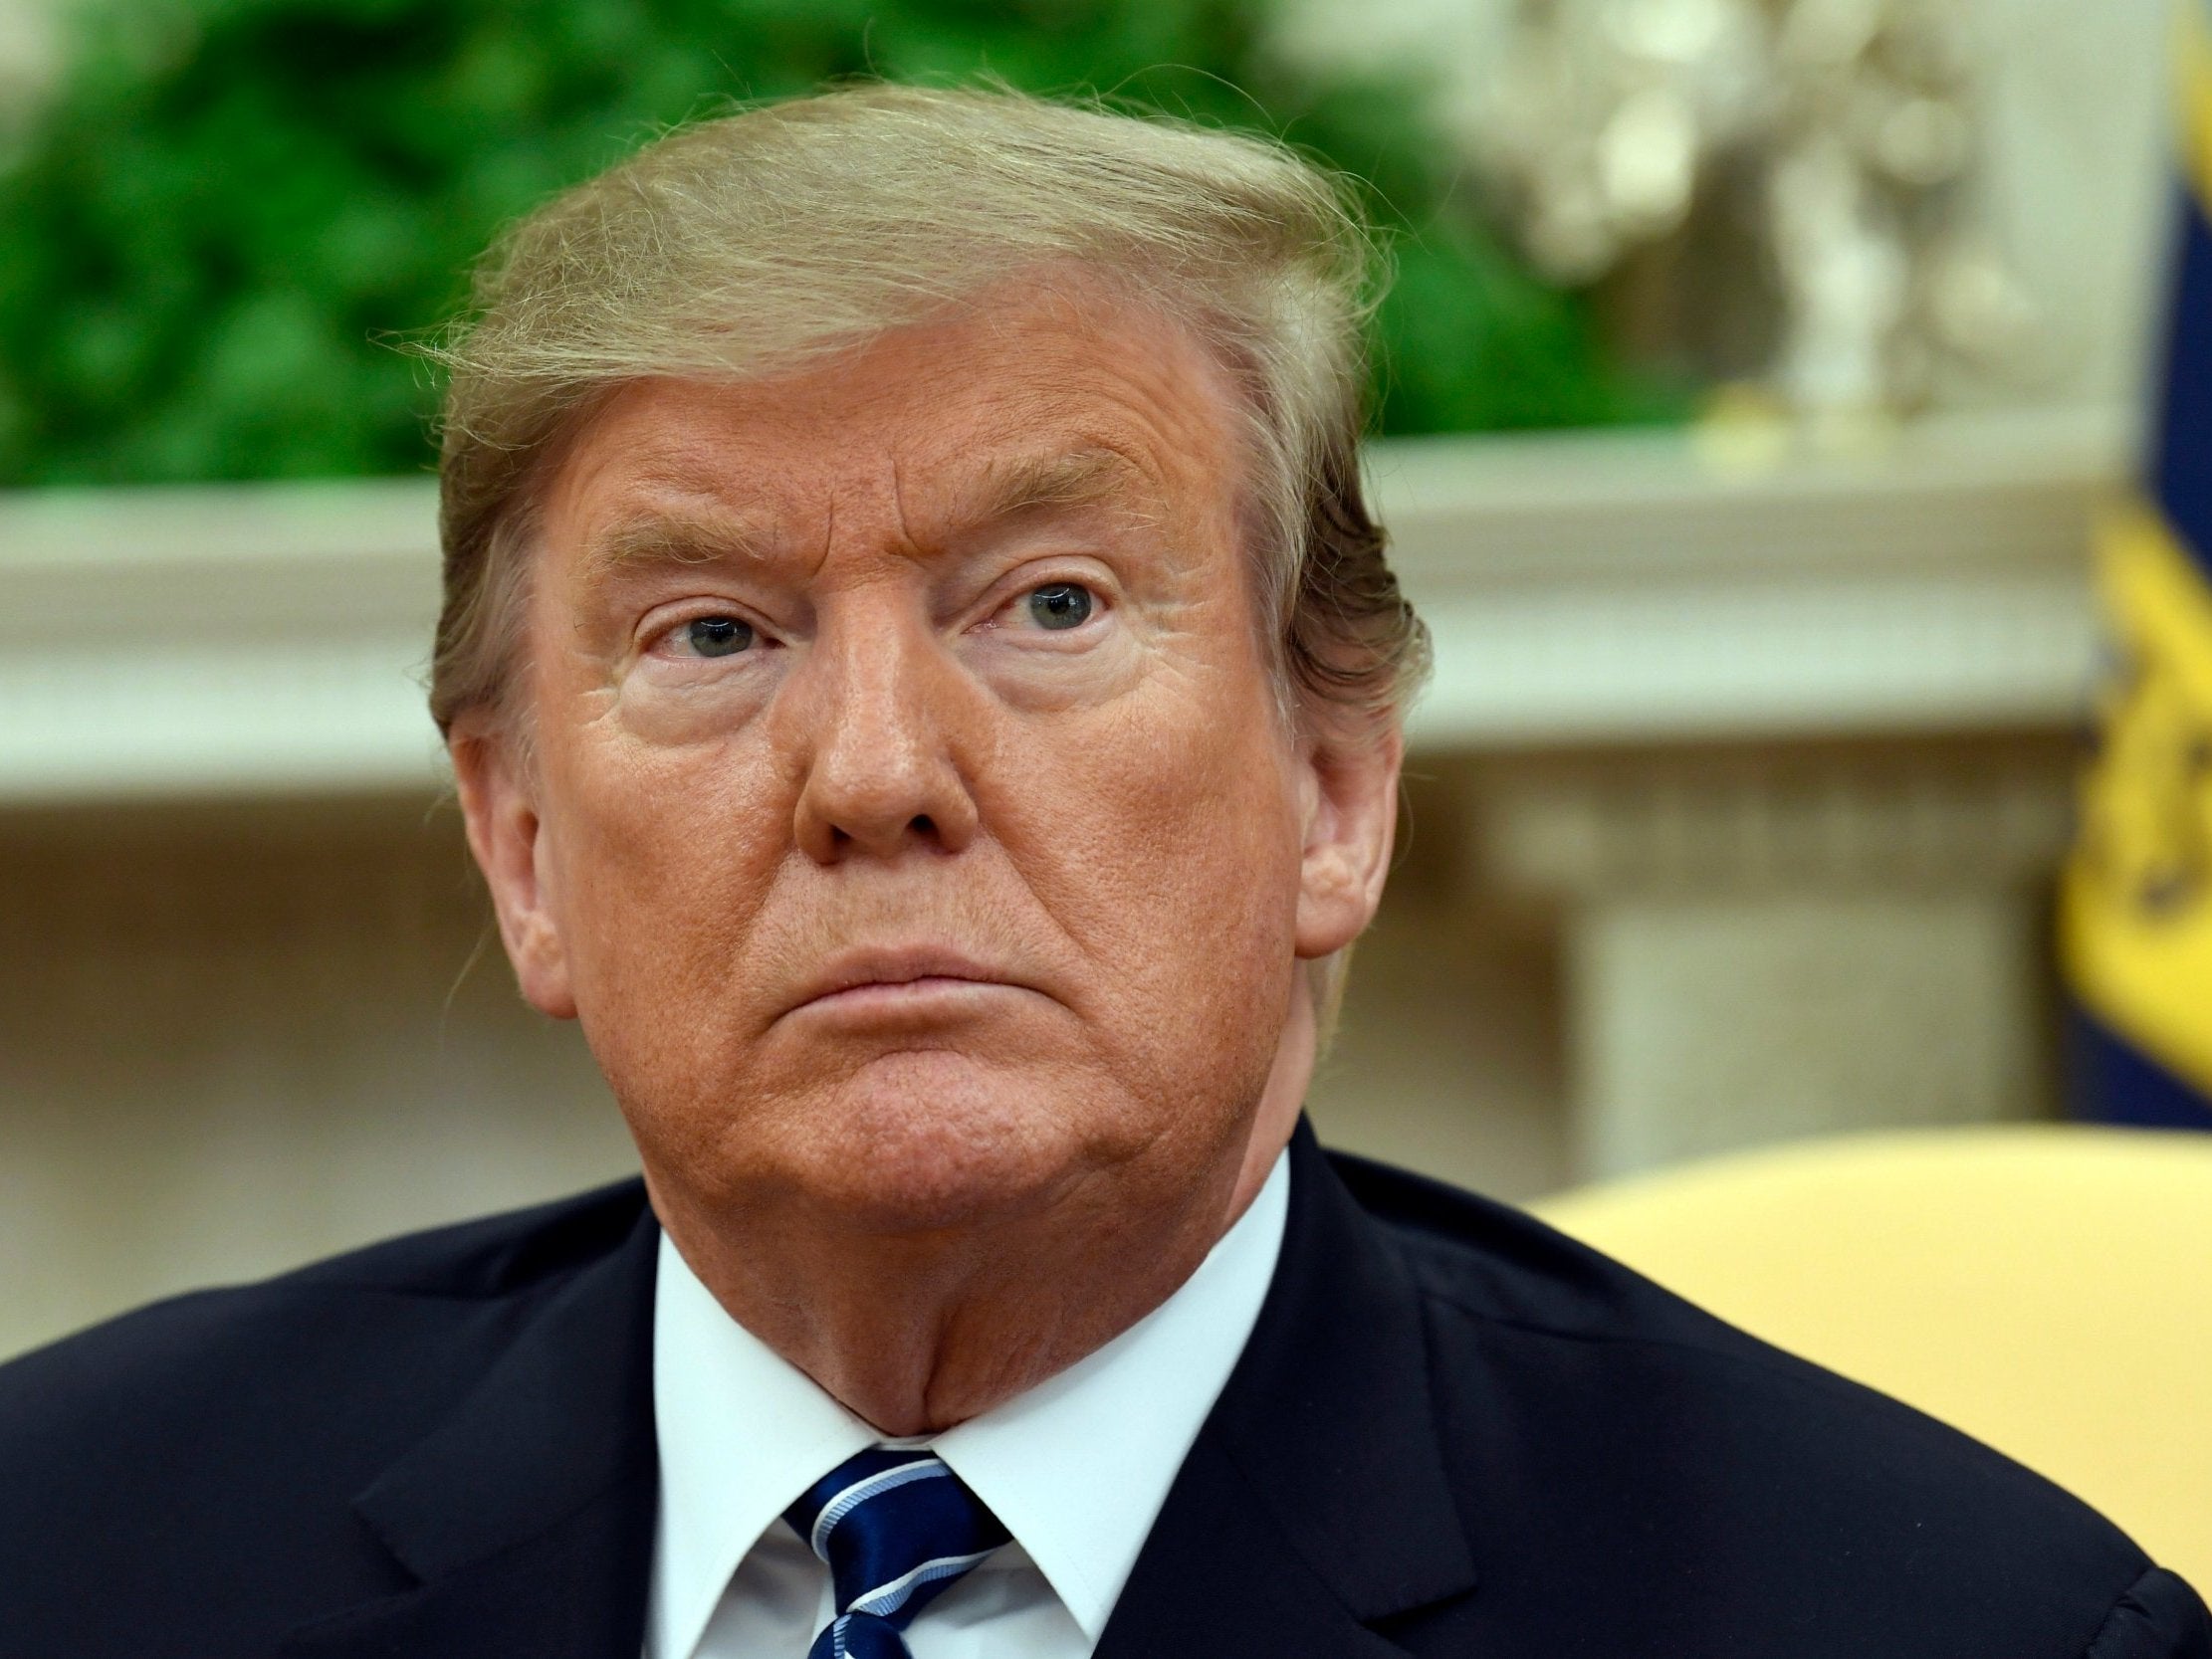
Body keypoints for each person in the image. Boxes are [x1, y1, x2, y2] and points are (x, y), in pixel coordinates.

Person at [0, 84, 2204, 1659]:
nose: (872, 777)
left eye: (1047, 605)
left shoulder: (1927, 1623)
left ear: (1335, 778)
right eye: (711, 636)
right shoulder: (75, 1547)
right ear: (521, 850)